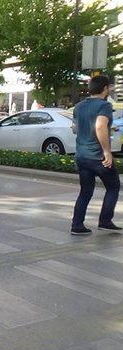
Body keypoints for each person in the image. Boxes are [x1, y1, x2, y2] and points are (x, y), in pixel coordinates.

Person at [71, 75, 120, 235]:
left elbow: (74, 128)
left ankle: (77, 226)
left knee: (85, 191)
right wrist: (107, 151)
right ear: (105, 88)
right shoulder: (103, 105)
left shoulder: (79, 106)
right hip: (97, 156)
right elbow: (99, 126)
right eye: (109, 87)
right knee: (113, 186)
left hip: (81, 155)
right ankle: (105, 221)